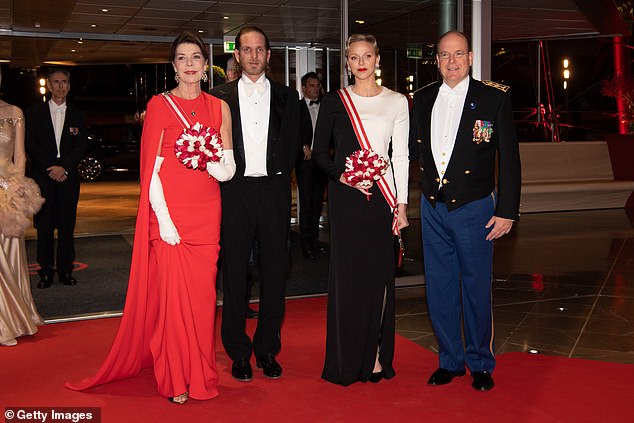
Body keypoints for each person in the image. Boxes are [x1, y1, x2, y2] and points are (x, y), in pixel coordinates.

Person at [66, 32, 235, 404]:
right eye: (182, 58)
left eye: (196, 58)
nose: (190, 64)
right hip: (171, 217)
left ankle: (201, 374)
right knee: (174, 303)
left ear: (206, 66)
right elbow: (152, 171)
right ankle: (176, 378)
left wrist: (209, 157)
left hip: (207, 215)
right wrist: (166, 220)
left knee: (204, 301)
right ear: (173, 66)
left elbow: (228, 169)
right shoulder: (159, 105)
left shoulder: (219, 108)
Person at [409, 30, 521, 392]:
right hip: (432, 207)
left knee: (475, 286)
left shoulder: (493, 98)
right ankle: (450, 361)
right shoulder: (423, 99)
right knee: (439, 287)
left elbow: (510, 160)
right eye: (444, 55)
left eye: (458, 54)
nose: (452, 62)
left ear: (470, 58)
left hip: (474, 208)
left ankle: (480, 363)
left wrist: (507, 210)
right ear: (437, 60)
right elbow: (411, 151)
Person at [313, 34, 409, 386]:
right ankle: (348, 357)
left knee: (380, 278)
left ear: (378, 58)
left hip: (382, 201)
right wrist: (346, 178)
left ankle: (379, 357)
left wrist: (401, 204)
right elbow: (319, 153)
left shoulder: (397, 101)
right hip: (346, 199)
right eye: (354, 57)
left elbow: (400, 156)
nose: (362, 62)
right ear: (347, 63)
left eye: (368, 55)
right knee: (349, 279)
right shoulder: (335, 102)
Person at [211, 26, 300, 382]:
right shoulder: (219, 97)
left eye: (259, 49)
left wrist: (280, 178)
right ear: (237, 55)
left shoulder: (288, 97)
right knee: (234, 274)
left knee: (275, 274)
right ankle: (238, 351)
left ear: (268, 55)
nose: (253, 56)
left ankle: (266, 348)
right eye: (246, 50)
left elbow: (294, 143)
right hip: (235, 193)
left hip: (275, 193)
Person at [25, 68, 87, 288]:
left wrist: (64, 168)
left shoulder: (78, 115)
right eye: (56, 82)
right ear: (49, 86)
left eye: (64, 82)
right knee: (43, 228)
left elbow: (80, 148)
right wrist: (50, 169)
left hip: (68, 180)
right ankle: (45, 272)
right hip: (43, 179)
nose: (60, 86)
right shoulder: (33, 113)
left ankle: (65, 270)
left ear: (69, 86)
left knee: (67, 228)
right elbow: (31, 146)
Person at [0, 70, 45, 347]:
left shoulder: (14, 111)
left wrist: (14, 187)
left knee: (9, 257)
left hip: (8, 196)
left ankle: (13, 318)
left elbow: (20, 156)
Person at [297, 72, 327, 260]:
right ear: (304, 88)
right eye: (311, 86)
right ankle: (305, 244)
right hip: (305, 162)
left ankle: (315, 241)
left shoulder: (324, 107)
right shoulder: (297, 108)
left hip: (321, 162)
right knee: (307, 204)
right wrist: (303, 145)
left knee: (317, 204)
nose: (315, 89)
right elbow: (292, 131)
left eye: (317, 85)